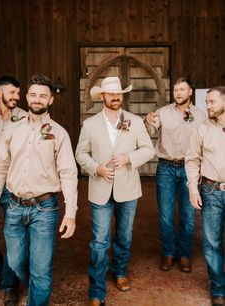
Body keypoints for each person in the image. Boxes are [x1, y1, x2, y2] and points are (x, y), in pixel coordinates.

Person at [0, 74, 78, 306]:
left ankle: (38, 292)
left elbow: (69, 173)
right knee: (16, 261)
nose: (37, 99)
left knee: (41, 268)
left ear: (50, 101)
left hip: (45, 209)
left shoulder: (59, 134)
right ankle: (32, 284)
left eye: (43, 96)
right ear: (27, 97)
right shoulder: (12, 130)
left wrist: (71, 212)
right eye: (34, 95)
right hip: (15, 206)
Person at [76, 76, 155, 306]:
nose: (116, 98)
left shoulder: (134, 121)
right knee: (99, 241)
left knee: (124, 235)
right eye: (111, 94)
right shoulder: (90, 124)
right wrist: (96, 168)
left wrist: (129, 157)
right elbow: (80, 154)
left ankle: (119, 271)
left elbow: (148, 150)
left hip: (128, 189)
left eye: (119, 94)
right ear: (102, 97)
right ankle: (97, 289)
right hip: (100, 188)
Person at [144, 77, 206, 273]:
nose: (178, 93)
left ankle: (185, 254)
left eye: (182, 89)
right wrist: (147, 122)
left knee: (188, 215)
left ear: (190, 92)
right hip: (166, 169)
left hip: (190, 170)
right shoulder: (163, 112)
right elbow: (148, 131)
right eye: (175, 90)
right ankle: (169, 253)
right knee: (166, 214)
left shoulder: (201, 116)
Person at [185, 86, 225, 306]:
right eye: (207, 102)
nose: (208, 106)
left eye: (212, 102)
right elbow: (192, 160)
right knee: (212, 243)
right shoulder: (201, 129)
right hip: (211, 191)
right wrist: (193, 188)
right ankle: (218, 289)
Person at [0, 76, 24, 305]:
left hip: (12, 184)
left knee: (14, 237)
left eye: (18, 94)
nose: (16, 97)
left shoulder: (24, 118)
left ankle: (10, 284)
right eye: (12, 93)